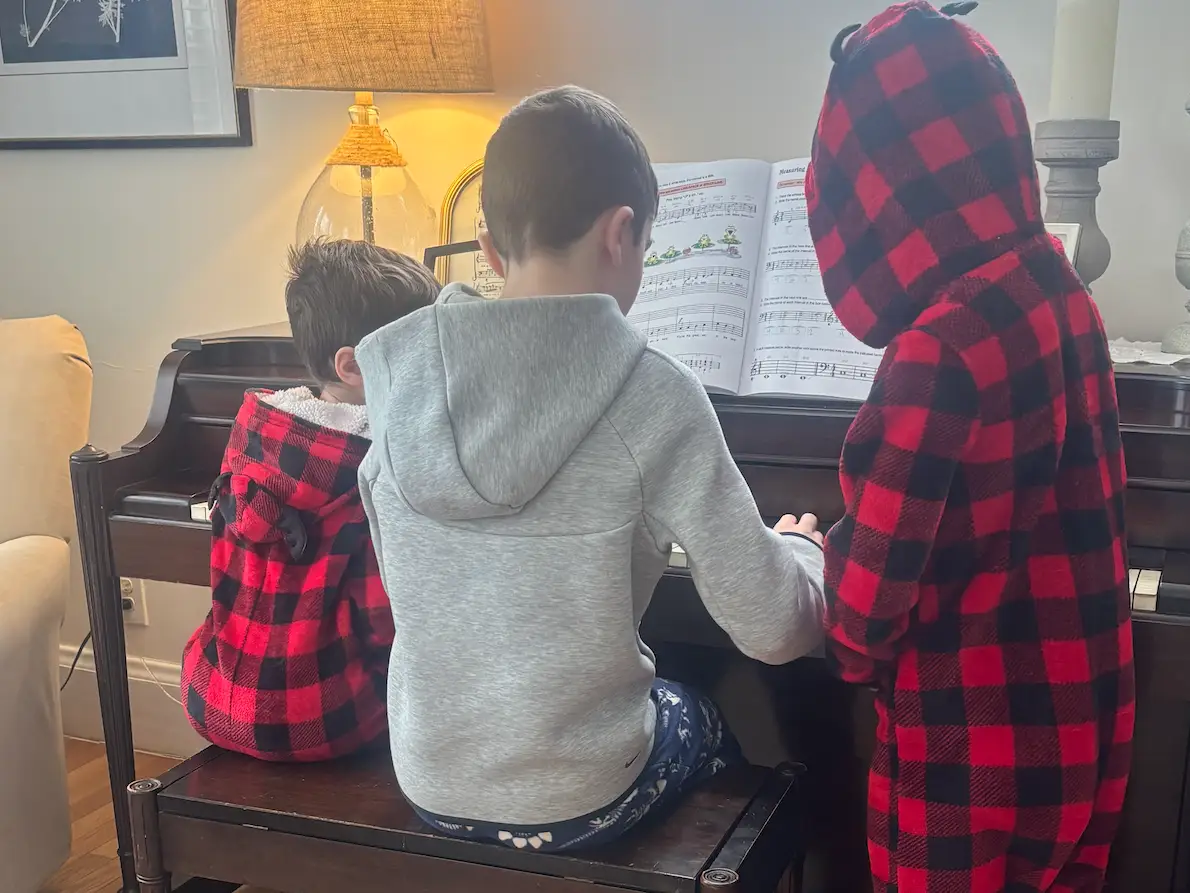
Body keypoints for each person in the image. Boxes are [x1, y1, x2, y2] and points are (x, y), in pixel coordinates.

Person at [355, 85, 826, 852]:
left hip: (431, 777)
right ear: (621, 232)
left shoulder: (401, 375)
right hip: (575, 797)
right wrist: (802, 551)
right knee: (712, 721)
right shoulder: (651, 391)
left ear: (492, 246)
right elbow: (774, 628)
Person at [805, 3, 1134, 891]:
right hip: (1078, 736)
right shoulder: (1063, 292)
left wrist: (807, 548)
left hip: (968, 767)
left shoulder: (936, 352)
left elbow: (859, 630)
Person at [180, 238, 440, 762]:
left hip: (210, 697)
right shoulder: (373, 465)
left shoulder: (256, 433)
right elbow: (388, 624)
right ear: (352, 366)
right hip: (328, 719)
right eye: (421, 351)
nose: (435, 365)